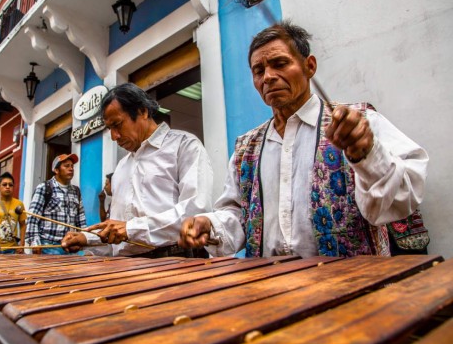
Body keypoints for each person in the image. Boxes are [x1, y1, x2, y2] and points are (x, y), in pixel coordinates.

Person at [179, 21, 429, 258]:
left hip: (352, 287)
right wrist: (211, 225)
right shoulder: (246, 148)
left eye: (279, 63)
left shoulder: (360, 122)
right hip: (273, 285)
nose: (268, 77)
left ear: (310, 66)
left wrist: (368, 155)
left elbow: (403, 200)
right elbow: (237, 213)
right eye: (259, 70)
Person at [61, 83, 214, 258]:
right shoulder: (121, 167)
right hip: (126, 265)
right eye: (109, 129)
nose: (114, 136)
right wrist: (87, 238)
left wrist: (130, 229)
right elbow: (120, 234)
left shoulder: (184, 146)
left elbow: (194, 214)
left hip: (175, 260)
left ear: (143, 111)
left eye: (117, 125)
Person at [25, 154, 87, 255]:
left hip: (70, 246)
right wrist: (34, 242)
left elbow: (81, 220)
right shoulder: (44, 188)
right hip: (48, 246)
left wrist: (83, 238)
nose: (71, 169)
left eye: (72, 166)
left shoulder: (76, 191)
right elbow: (32, 217)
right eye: (66, 166)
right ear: (56, 170)